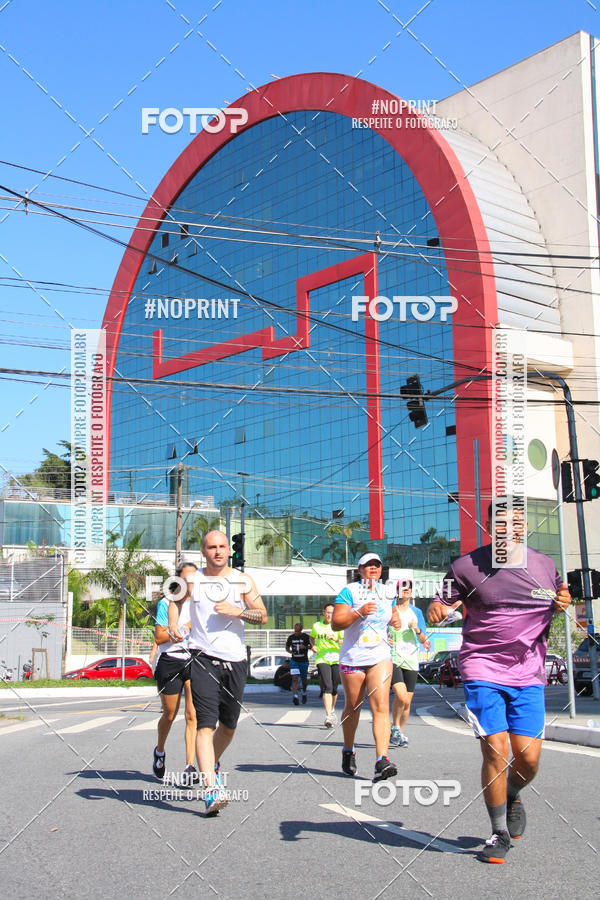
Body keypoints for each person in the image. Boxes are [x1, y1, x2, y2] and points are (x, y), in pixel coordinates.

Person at [428, 500, 572, 864]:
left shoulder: (544, 565)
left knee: (529, 759)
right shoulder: (465, 566)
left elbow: (559, 597)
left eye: (519, 518)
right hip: (482, 668)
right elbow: (438, 603)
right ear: (490, 524)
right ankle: (498, 833)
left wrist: (563, 600)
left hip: (528, 672)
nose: (512, 524)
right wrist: (440, 610)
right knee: (495, 747)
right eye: (503, 518)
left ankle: (512, 792)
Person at [168, 530, 266, 815]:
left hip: (235, 660)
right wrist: (174, 624)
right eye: (212, 547)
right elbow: (174, 602)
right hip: (202, 657)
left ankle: (210, 765)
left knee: (228, 728)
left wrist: (237, 612)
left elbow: (262, 614)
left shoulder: (243, 580)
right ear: (204, 551)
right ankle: (211, 789)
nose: (218, 551)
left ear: (229, 550)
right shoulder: (192, 579)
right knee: (204, 724)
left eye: (223, 546)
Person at [332, 551, 400, 782]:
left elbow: (391, 615)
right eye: (368, 565)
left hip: (380, 656)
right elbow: (336, 623)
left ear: (381, 570)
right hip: (353, 658)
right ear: (360, 570)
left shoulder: (387, 592)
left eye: (377, 565)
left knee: (380, 705)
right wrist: (359, 612)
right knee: (353, 706)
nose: (373, 569)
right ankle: (348, 749)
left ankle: (382, 760)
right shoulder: (349, 592)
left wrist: (395, 619)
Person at [152, 563, 198, 785]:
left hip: (194, 660)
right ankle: (160, 751)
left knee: (193, 715)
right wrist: (174, 634)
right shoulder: (166, 603)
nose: (190, 582)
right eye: (185, 578)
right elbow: (159, 638)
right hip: (170, 661)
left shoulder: (201, 603)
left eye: (193, 578)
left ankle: (190, 766)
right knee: (170, 714)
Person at [389, 580, 430, 748]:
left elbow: (423, 639)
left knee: (407, 701)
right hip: (393, 658)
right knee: (401, 695)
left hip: (411, 659)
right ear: (398, 591)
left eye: (408, 589)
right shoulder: (390, 607)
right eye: (402, 588)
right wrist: (386, 637)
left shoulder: (416, 612)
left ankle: (399, 731)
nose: (406, 591)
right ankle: (395, 727)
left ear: (411, 592)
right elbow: (379, 627)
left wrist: (417, 629)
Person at [310, 603, 343, 727]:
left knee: (334, 688)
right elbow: (311, 637)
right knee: (327, 687)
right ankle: (328, 716)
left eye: (332, 613)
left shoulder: (338, 627)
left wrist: (335, 639)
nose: (330, 615)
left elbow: (344, 642)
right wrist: (313, 645)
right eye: (328, 612)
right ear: (323, 612)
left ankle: (332, 709)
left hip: (336, 658)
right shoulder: (317, 626)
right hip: (322, 658)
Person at [285, 622, 312, 705]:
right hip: (294, 661)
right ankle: (295, 696)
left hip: (303, 661)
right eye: (295, 631)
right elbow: (287, 647)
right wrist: (290, 651)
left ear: (301, 630)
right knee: (294, 678)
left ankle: (304, 693)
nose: (296, 633)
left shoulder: (305, 637)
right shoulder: (291, 637)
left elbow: (312, 646)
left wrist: (305, 647)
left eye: (298, 631)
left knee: (304, 680)